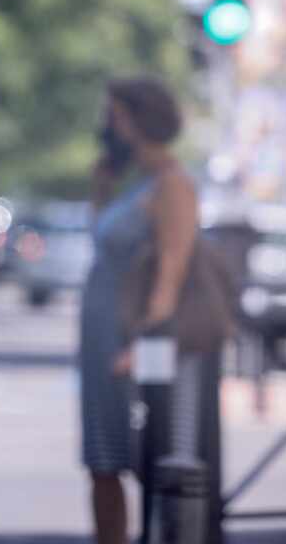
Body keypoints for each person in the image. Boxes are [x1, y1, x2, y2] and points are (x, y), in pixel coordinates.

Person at [79, 77, 199, 544]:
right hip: (102, 337)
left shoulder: (173, 186)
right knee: (102, 460)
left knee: (147, 459)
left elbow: (171, 274)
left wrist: (142, 345)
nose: (108, 126)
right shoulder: (138, 183)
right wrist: (103, 184)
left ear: (136, 120)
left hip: (132, 342)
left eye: (115, 116)